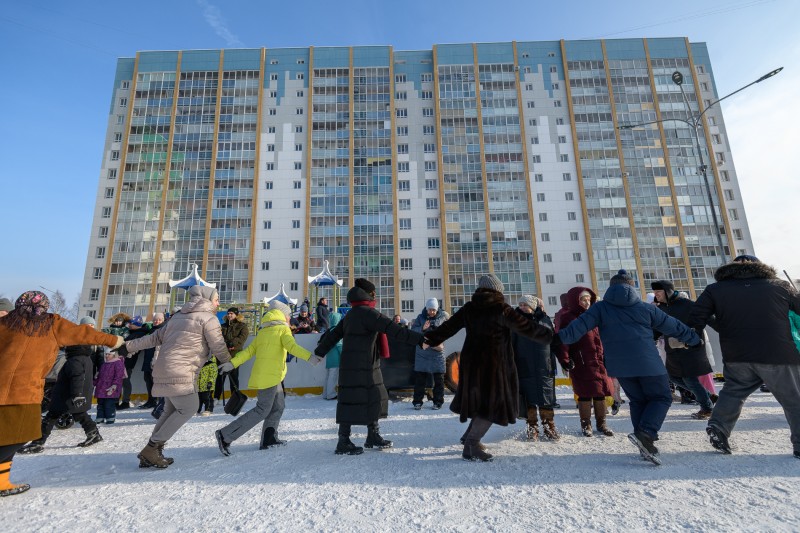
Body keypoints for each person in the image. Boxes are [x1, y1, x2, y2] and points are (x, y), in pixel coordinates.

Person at [555, 270, 701, 465]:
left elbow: (574, 330)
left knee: (638, 400)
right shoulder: (645, 308)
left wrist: (550, 339)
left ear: (611, 287)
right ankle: (646, 434)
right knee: (661, 397)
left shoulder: (600, 309)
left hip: (620, 366)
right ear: (631, 286)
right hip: (648, 363)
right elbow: (673, 326)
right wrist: (694, 340)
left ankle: (644, 444)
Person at [0, 291, 123, 497]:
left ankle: (2, 481)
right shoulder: (50, 323)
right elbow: (84, 333)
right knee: (22, 434)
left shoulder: (6, 324)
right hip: (24, 391)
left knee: (7, 436)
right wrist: (114, 340)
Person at [423, 275, 554, 462]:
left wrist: (429, 339)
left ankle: (468, 439)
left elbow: (448, 327)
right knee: (492, 404)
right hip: (494, 365)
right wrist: (550, 335)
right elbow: (526, 327)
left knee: (480, 401)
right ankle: (472, 443)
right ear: (498, 291)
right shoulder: (501, 309)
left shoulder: (470, 308)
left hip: (471, 363)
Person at [688, 255, 800, 458]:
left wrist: (720, 327)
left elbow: (697, 316)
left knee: (733, 392)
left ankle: (718, 427)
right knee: (793, 399)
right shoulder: (779, 286)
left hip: (736, 353)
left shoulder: (715, 289)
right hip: (777, 353)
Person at [123, 285, 231, 469]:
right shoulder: (208, 318)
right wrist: (227, 361)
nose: (218, 302)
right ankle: (151, 449)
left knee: (170, 410)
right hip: (182, 370)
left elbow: (153, 338)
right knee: (189, 407)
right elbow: (218, 344)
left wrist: (127, 346)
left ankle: (152, 452)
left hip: (164, 367)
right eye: (216, 299)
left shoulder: (177, 317)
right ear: (206, 299)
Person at [314, 278, 424, 456]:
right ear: (369, 294)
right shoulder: (369, 314)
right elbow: (395, 330)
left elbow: (333, 335)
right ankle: (346, 441)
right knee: (372, 397)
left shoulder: (351, 314)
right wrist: (421, 340)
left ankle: (367, 436)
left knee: (353, 399)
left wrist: (319, 352)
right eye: (374, 293)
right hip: (365, 365)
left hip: (352, 366)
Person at [215, 301, 321, 456]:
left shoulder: (264, 331)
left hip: (270, 376)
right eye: (288, 315)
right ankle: (226, 435)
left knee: (278, 406)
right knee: (262, 410)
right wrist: (310, 358)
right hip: (270, 377)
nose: (289, 318)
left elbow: (248, 351)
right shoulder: (283, 330)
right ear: (283, 315)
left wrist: (232, 363)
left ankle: (269, 438)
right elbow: (292, 347)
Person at [18, 317, 108, 454]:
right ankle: (93, 434)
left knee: (52, 416)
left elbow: (77, 378)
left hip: (67, 395)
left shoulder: (75, 360)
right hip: (73, 395)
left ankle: (38, 442)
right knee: (80, 415)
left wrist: (77, 395)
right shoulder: (85, 358)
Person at [651, 280, 715, 420]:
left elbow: (708, 318)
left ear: (667, 291)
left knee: (689, 379)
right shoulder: (661, 308)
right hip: (673, 349)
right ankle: (707, 396)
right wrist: (651, 339)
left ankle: (707, 408)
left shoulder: (688, 304)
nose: (656, 295)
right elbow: (657, 328)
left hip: (690, 347)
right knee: (672, 376)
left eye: (659, 292)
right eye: (655, 292)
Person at [556, 287, 614, 437]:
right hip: (581, 361)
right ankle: (586, 425)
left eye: (588, 299)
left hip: (599, 360)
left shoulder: (596, 315)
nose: (587, 302)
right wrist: (565, 359)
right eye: (583, 299)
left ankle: (602, 424)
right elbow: (562, 341)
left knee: (601, 392)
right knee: (585, 394)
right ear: (576, 301)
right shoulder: (568, 317)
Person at [512, 295, 560, 440]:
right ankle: (532, 428)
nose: (521, 307)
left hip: (544, 366)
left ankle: (549, 427)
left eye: (524, 304)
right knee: (529, 400)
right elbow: (511, 345)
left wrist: (556, 362)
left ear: (533, 306)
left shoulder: (545, 320)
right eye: (520, 304)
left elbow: (553, 343)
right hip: (524, 365)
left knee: (546, 399)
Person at [409, 298, 450, 410]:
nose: (431, 312)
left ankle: (438, 402)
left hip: (437, 351)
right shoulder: (420, 318)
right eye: (429, 309)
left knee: (439, 379)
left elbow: (448, 330)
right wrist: (423, 328)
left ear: (437, 309)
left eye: (433, 310)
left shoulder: (443, 317)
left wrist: (438, 335)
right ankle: (417, 401)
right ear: (426, 309)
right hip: (423, 352)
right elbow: (412, 331)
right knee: (420, 380)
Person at [215, 307, 249, 403]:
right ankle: (216, 397)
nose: (229, 315)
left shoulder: (242, 326)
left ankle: (234, 398)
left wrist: (232, 343)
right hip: (222, 355)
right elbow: (218, 338)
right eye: (228, 313)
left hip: (234, 356)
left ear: (236, 315)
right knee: (220, 377)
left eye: (232, 313)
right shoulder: (223, 326)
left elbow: (242, 338)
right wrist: (225, 343)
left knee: (234, 378)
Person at [118, 315, 151, 410]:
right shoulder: (131, 332)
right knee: (121, 380)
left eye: (131, 323)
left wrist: (126, 353)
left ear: (137, 324)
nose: (129, 325)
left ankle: (125, 401)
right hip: (124, 359)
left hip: (129, 359)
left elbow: (134, 347)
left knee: (125, 380)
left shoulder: (139, 334)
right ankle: (118, 400)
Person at [138, 312, 164, 409]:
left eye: (159, 320)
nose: (157, 321)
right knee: (148, 380)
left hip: (157, 360)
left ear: (162, 320)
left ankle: (159, 402)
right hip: (148, 358)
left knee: (156, 382)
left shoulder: (163, 330)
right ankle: (151, 400)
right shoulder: (150, 330)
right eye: (155, 320)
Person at [94, 351, 126, 424]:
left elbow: (118, 376)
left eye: (109, 354)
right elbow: (99, 376)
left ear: (114, 355)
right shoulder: (104, 364)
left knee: (109, 404)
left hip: (111, 389)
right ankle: (100, 417)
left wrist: (115, 385)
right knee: (100, 404)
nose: (107, 356)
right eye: (106, 354)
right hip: (101, 388)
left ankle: (110, 417)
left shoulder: (118, 363)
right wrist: (94, 381)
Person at [321, 312, 343, 400]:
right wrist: (343, 354)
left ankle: (325, 393)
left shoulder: (329, 330)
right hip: (336, 358)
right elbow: (339, 344)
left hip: (329, 356)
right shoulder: (336, 331)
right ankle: (331, 394)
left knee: (328, 376)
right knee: (333, 377)